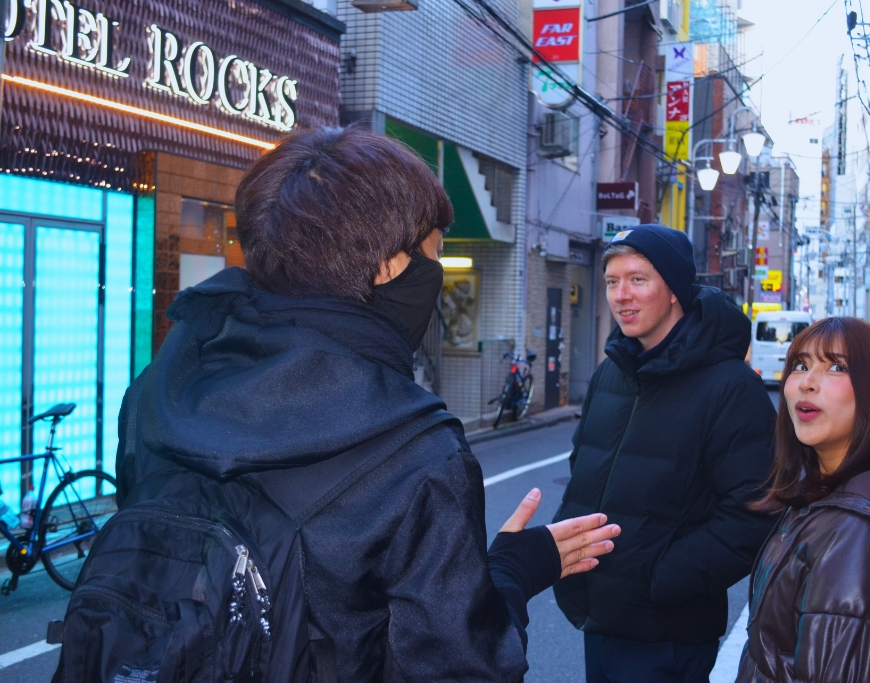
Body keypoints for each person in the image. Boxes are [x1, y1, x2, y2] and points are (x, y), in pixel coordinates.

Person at [113, 127, 620, 682]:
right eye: (435, 255)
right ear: (389, 267)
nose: (436, 278)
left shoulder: (157, 395)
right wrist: (512, 572)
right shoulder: (414, 451)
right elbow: (459, 669)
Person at [552, 225, 777, 683]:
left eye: (638, 279)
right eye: (613, 282)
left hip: (669, 634)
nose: (621, 296)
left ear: (674, 289)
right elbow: (585, 472)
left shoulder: (732, 386)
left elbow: (755, 511)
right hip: (599, 615)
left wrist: (660, 578)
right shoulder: (610, 374)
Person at [735, 317, 870, 683]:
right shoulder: (830, 496)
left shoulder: (858, 533)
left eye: (837, 367)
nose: (807, 383)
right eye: (801, 365)